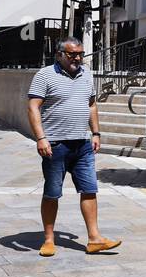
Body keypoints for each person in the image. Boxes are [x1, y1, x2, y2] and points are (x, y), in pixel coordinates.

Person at [27, 38, 121, 257]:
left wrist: (96, 132)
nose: (77, 58)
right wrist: (41, 138)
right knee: (52, 192)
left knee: (89, 190)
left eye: (80, 53)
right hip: (55, 145)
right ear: (59, 54)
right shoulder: (45, 75)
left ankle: (95, 239)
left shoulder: (86, 74)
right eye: (72, 54)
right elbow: (33, 108)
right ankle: (49, 239)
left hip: (82, 144)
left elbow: (91, 104)